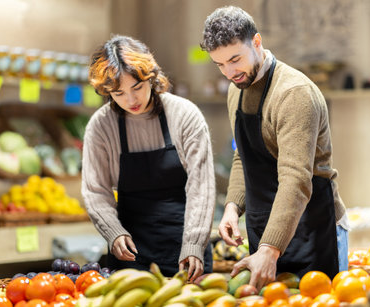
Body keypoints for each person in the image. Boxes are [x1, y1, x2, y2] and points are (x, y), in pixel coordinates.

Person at [200, 6, 350, 289]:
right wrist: (233, 207)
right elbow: (242, 156)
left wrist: (270, 248)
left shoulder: (294, 94)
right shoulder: (237, 89)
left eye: (235, 59)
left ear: (256, 42)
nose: (230, 72)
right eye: (220, 64)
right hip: (265, 229)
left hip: (312, 229)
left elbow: (296, 180)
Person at [82, 35, 215, 281]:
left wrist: (194, 243)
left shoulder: (185, 115)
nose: (131, 100)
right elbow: (95, 190)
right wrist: (113, 232)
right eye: (118, 93)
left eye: (137, 87)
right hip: (131, 253)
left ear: (151, 77)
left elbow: (201, 186)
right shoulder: (100, 127)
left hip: (186, 248)